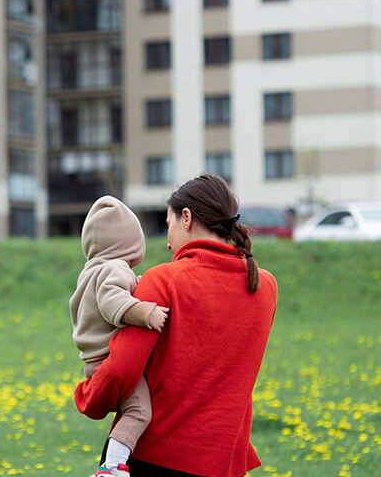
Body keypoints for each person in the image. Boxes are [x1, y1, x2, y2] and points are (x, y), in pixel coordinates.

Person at [74, 175, 279, 477]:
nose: (168, 242)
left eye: (168, 225)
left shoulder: (164, 280)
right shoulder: (265, 286)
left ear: (186, 218)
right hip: (226, 465)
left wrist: (88, 396)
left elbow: (121, 369)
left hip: (154, 457)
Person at [70, 196, 171, 477]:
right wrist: (144, 312)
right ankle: (112, 467)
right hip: (109, 359)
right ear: (129, 242)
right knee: (139, 411)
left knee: (133, 410)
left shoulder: (92, 271)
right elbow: (112, 301)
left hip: (94, 360)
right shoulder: (113, 269)